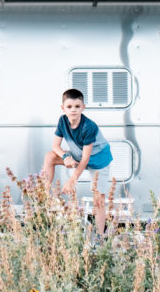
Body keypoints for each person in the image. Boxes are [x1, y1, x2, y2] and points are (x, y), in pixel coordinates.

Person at [42, 88, 113, 234]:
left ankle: (100, 236)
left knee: (98, 198)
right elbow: (55, 146)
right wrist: (65, 157)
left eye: (77, 107)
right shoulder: (62, 121)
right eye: (69, 107)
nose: (73, 110)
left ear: (83, 107)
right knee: (50, 156)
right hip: (79, 154)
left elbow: (86, 159)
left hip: (98, 159)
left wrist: (72, 181)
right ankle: (42, 195)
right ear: (63, 108)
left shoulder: (89, 127)